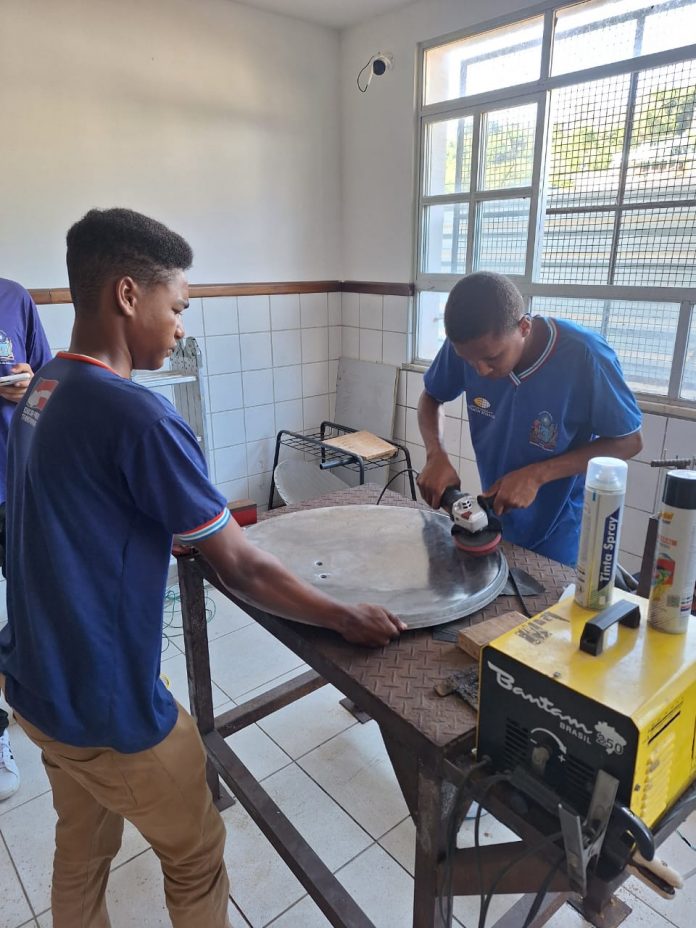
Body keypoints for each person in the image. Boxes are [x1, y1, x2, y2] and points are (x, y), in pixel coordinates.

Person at [0, 207, 406, 928]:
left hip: (37, 685)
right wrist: (346, 615)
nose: (181, 324)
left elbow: (82, 505)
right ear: (129, 295)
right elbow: (243, 567)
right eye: (177, 305)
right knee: (195, 854)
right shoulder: (140, 418)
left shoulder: (46, 385)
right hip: (107, 704)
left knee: (82, 848)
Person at [417, 272, 642, 566]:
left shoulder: (585, 355)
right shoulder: (469, 348)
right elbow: (431, 397)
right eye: (468, 360)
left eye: (492, 359)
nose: (480, 370)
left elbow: (629, 441)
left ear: (524, 326)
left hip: (558, 529)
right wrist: (436, 453)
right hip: (496, 518)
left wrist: (537, 475)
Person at [0, 278, 52, 801]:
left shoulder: (14, 298)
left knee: (31, 598)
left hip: (16, 480)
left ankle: (33, 699)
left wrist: (29, 382)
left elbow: (50, 380)